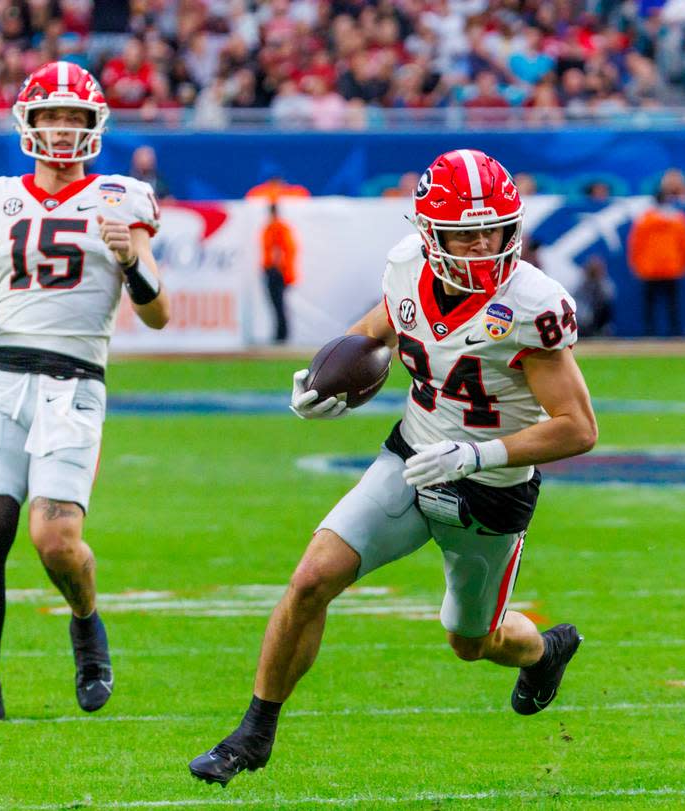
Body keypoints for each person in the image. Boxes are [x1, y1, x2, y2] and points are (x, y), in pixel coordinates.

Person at [189, 149, 598, 786]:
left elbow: (578, 428)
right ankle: (253, 734)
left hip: (488, 492)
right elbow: (377, 333)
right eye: (467, 233)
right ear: (430, 235)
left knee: (472, 642)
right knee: (311, 579)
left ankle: (544, 651)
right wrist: (325, 382)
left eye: (494, 229)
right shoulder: (407, 270)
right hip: (409, 460)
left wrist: (477, 453)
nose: (485, 245)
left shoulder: (532, 304)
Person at [0, 61, 170, 724]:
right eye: (52, 115)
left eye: (75, 117)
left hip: (74, 382)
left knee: (55, 540)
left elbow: (159, 314)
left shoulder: (122, 199)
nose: (64, 128)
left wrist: (129, 261)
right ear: (30, 122)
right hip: (2, 379)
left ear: (94, 125)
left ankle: (85, 618)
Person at [627, 181, 685, 336]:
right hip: (671, 266)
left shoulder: (645, 219)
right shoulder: (678, 219)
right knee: (671, 304)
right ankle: (675, 333)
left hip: (650, 268)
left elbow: (635, 244)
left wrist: (636, 264)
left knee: (652, 305)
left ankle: (650, 333)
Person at [260, 202, 297, 343]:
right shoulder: (276, 226)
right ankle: (281, 333)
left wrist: (277, 267)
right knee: (278, 304)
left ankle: (281, 334)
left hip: (276, 270)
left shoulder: (276, 227)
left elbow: (279, 249)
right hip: (277, 270)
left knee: (278, 303)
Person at [573, 255, 616, 337]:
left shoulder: (604, 284)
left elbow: (609, 297)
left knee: (604, 306)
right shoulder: (581, 285)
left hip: (599, 320)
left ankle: (601, 330)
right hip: (583, 320)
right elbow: (576, 303)